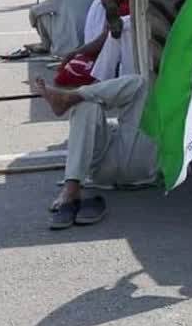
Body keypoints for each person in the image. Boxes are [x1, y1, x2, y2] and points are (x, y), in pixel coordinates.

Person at [38, 75, 158, 229]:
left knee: (140, 85)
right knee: (87, 104)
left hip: (136, 163)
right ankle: (71, 188)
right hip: (111, 166)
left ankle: (71, 96)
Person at [55, 0, 132, 86]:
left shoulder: (122, 9)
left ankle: (101, 81)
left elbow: (101, 43)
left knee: (73, 71)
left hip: (122, 58)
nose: (103, 2)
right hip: (114, 56)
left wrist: (75, 52)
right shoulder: (113, 9)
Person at [26, 0, 94, 57]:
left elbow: (33, 11)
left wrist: (35, 26)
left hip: (69, 47)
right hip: (90, 43)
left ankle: (45, 45)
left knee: (41, 14)